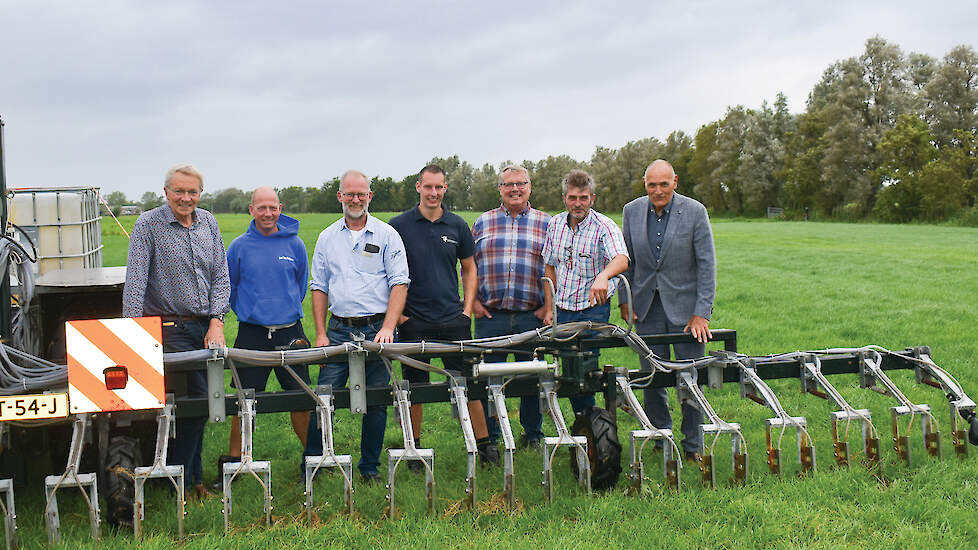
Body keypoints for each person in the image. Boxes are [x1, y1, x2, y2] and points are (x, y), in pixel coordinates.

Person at [122, 163, 230, 500]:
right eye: (179, 191)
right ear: (166, 192)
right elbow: (136, 281)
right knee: (193, 402)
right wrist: (132, 335)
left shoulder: (208, 222)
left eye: (192, 192)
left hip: (204, 328)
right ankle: (180, 481)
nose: (186, 198)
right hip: (168, 329)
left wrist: (217, 320)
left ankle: (187, 477)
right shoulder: (149, 225)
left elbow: (221, 276)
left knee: (199, 405)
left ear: (200, 193)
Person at [303, 170, 410, 483]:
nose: (355, 199)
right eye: (349, 194)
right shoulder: (327, 238)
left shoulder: (386, 235)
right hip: (338, 330)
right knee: (324, 399)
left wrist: (389, 327)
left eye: (361, 194)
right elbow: (319, 287)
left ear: (369, 197)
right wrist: (321, 333)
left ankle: (369, 467)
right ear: (340, 196)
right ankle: (314, 464)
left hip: (377, 328)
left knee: (376, 401)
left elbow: (399, 283)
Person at [389, 165, 498, 466]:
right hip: (414, 321)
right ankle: (414, 448)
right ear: (418, 187)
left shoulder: (457, 225)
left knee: (470, 383)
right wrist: (400, 319)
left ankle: (484, 444)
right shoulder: (399, 226)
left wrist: (466, 310)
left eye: (439, 188)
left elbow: (469, 268)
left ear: (445, 188)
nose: (433, 193)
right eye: (428, 187)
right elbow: (385, 272)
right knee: (414, 388)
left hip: (453, 319)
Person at [620, 159, 716, 461]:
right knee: (652, 379)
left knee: (689, 379)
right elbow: (627, 259)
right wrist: (626, 300)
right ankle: (661, 439)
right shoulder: (631, 212)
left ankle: (692, 446)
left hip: (688, 314)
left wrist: (702, 312)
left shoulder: (695, 211)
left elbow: (707, 265)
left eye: (664, 184)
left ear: (675, 181)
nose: (658, 190)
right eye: (652, 185)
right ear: (644, 184)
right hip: (646, 308)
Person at [219, 187, 311, 477]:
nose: (268, 213)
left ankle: (313, 458)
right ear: (251, 210)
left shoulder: (295, 245)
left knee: (301, 399)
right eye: (262, 208)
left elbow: (301, 284)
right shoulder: (238, 247)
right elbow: (228, 288)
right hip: (252, 335)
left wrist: (282, 309)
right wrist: (252, 312)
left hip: (290, 333)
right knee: (244, 400)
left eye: (273, 208)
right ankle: (236, 461)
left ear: (280, 208)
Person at [471, 165, 552, 449]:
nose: (515, 189)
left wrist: (547, 308)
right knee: (488, 378)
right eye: (509, 184)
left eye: (521, 183)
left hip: (532, 315)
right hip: (490, 316)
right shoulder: (483, 222)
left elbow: (554, 267)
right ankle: (491, 436)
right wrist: (475, 303)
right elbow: (469, 267)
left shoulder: (546, 223)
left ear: (530, 187)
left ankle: (532, 435)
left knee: (532, 377)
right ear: (500, 189)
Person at [542, 169, 629, 414]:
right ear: (564, 198)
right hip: (563, 310)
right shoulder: (555, 224)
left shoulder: (604, 226)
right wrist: (549, 308)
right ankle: (587, 421)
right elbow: (550, 267)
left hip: (592, 310)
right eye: (572, 198)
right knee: (567, 369)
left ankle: (590, 420)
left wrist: (603, 276)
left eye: (583, 198)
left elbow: (621, 258)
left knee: (585, 369)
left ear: (592, 198)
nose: (577, 203)